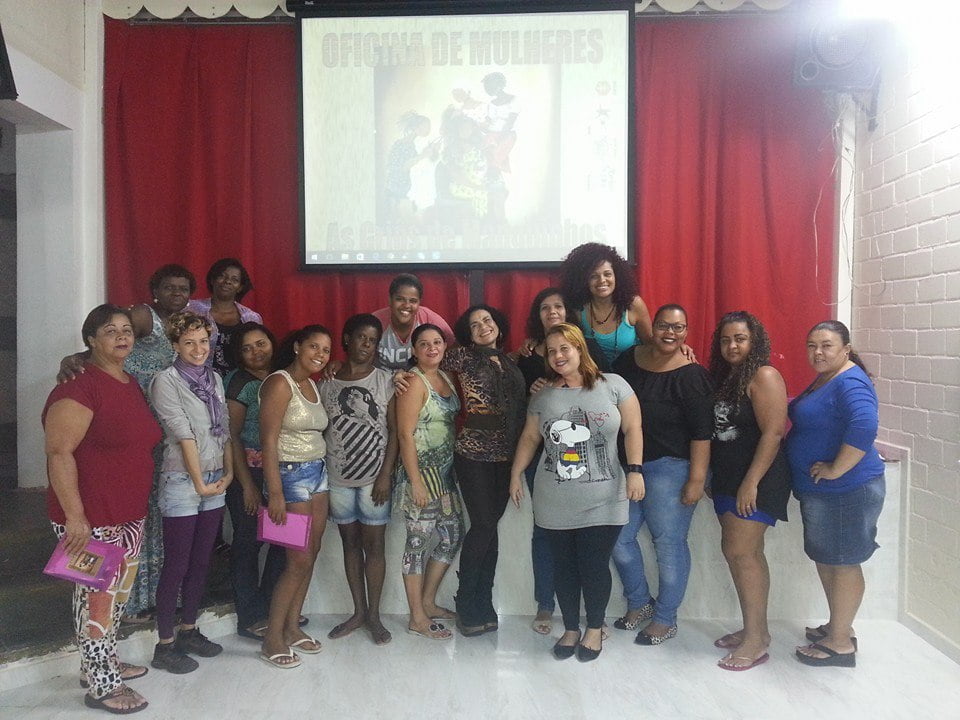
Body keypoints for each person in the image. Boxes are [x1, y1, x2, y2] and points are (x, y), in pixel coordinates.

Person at [56, 264, 197, 624]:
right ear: (154, 290)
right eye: (169, 287)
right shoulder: (143, 317)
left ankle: (147, 599)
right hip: (117, 427)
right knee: (98, 579)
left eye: (183, 288)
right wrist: (77, 359)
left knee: (149, 517)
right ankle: (123, 612)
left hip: (155, 432)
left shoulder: (185, 324)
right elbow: (109, 336)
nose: (177, 293)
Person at [43, 305, 162, 714]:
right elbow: (59, 453)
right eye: (110, 330)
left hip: (127, 514)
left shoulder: (129, 382)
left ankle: (99, 663)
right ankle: (103, 686)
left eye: (126, 329)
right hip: (91, 518)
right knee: (96, 600)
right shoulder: (79, 387)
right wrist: (74, 517)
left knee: (115, 598)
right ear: (91, 339)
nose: (122, 336)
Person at [509, 323, 644, 662]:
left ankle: (594, 628)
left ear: (579, 348)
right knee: (564, 566)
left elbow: (633, 428)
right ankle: (570, 627)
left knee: (594, 563)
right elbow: (530, 438)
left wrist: (636, 471)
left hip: (605, 496)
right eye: (552, 351)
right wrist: (515, 474)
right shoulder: (543, 395)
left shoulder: (614, 385)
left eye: (564, 348)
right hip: (554, 497)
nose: (558, 356)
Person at [611, 304, 713, 645]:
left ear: (686, 332)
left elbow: (702, 433)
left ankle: (666, 618)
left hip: (672, 468)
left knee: (668, 544)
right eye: (664, 326)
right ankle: (640, 602)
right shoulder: (629, 360)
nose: (670, 333)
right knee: (618, 538)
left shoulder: (692, 375)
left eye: (678, 328)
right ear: (652, 327)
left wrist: (696, 479)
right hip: (630, 466)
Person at [787, 320, 885, 668]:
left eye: (827, 345)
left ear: (845, 349)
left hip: (847, 489)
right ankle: (838, 626)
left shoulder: (850, 380)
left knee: (842, 563)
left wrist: (836, 468)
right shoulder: (828, 378)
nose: (818, 352)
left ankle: (840, 644)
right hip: (826, 493)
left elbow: (865, 424)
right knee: (829, 559)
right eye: (812, 345)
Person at [514, 288, 610, 635]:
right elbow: (522, 408)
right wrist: (533, 390)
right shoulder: (527, 354)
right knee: (545, 533)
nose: (552, 311)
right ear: (537, 315)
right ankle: (545, 603)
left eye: (558, 305)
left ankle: (592, 616)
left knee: (589, 537)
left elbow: (603, 390)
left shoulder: (589, 346)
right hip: (543, 457)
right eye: (544, 307)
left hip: (588, 456)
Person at [149, 311, 232, 674]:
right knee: (177, 564)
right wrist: (199, 483)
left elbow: (223, 429)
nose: (198, 349)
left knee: (201, 561)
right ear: (175, 345)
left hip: (215, 478)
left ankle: (189, 630)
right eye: (189, 343)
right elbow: (182, 433)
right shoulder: (165, 381)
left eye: (203, 341)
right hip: (183, 480)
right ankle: (165, 644)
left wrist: (229, 472)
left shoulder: (214, 378)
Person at [708, 311, 791, 671]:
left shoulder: (764, 375)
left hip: (757, 479)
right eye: (726, 339)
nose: (732, 345)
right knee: (744, 554)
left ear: (754, 340)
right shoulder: (727, 378)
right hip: (729, 478)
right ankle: (756, 630)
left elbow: (774, 433)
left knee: (741, 553)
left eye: (740, 338)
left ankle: (755, 641)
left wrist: (750, 482)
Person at [444, 305, 526, 636]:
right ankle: (466, 601)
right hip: (473, 453)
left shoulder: (510, 362)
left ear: (498, 325)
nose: (482, 327)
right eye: (474, 324)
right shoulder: (462, 356)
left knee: (491, 529)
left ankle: (484, 600)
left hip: (507, 456)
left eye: (487, 320)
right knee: (482, 525)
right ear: (468, 334)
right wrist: (401, 375)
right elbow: (423, 363)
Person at [319, 314, 398, 646]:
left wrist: (385, 475)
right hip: (338, 479)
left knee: (375, 547)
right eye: (361, 337)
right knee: (349, 545)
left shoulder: (386, 381)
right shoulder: (327, 383)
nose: (367, 345)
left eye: (373, 340)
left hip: (373, 481)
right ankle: (359, 612)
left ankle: (375, 616)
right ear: (347, 339)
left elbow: (395, 432)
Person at [258, 325, 332, 668]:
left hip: (318, 473)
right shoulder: (279, 383)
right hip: (288, 477)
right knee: (297, 561)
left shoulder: (312, 385)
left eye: (326, 350)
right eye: (314, 346)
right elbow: (268, 440)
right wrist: (274, 492)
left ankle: (291, 626)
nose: (320, 354)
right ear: (298, 346)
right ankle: (272, 637)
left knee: (311, 553)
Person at [395, 324, 465, 640]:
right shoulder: (413, 381)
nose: (432, 348)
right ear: (414, 350)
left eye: (437, 342)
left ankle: (427, 601)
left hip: (445, 475)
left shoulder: (446, 377)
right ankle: (417, 617)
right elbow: (404, 434)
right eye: (424, 344)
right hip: (420, 475)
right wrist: (416, 482)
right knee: (417, 543)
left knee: (452, 536)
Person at [223, 322, 287, 640]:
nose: (255, 352)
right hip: (248, 473)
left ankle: (274, 609)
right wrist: (247, 485)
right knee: (248, 544)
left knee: (284, 541)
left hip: (282, 471)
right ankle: (249, 617)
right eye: (247, 348)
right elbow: (232, 436)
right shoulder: (238, 382)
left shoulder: (282, 375)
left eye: (260, 344)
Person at [558, 242, 654, 365]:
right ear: (583, 280)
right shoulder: (578, 309)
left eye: (607, 274)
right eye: (594, 276)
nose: (602, 280)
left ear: (617, 276)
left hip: (632, 372)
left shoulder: (633, 304)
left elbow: (651, 345)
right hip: (593, 375)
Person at [188, 257, 262, 376]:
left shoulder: (251, 317)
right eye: (222, 276)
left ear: (240, 287)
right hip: (198, 379)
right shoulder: (193, 309)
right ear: (212, 280)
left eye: (234, 279)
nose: (227, 281)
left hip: (238, 381)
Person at [371, 274, 454, 372]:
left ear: (419, 303)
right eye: (400, 299)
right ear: (390, 299)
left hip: (418, 377)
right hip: (381, 378)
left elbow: (452, 344)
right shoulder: (376, 322)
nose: (406, 305)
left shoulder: (428, 319)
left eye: (413, 301)